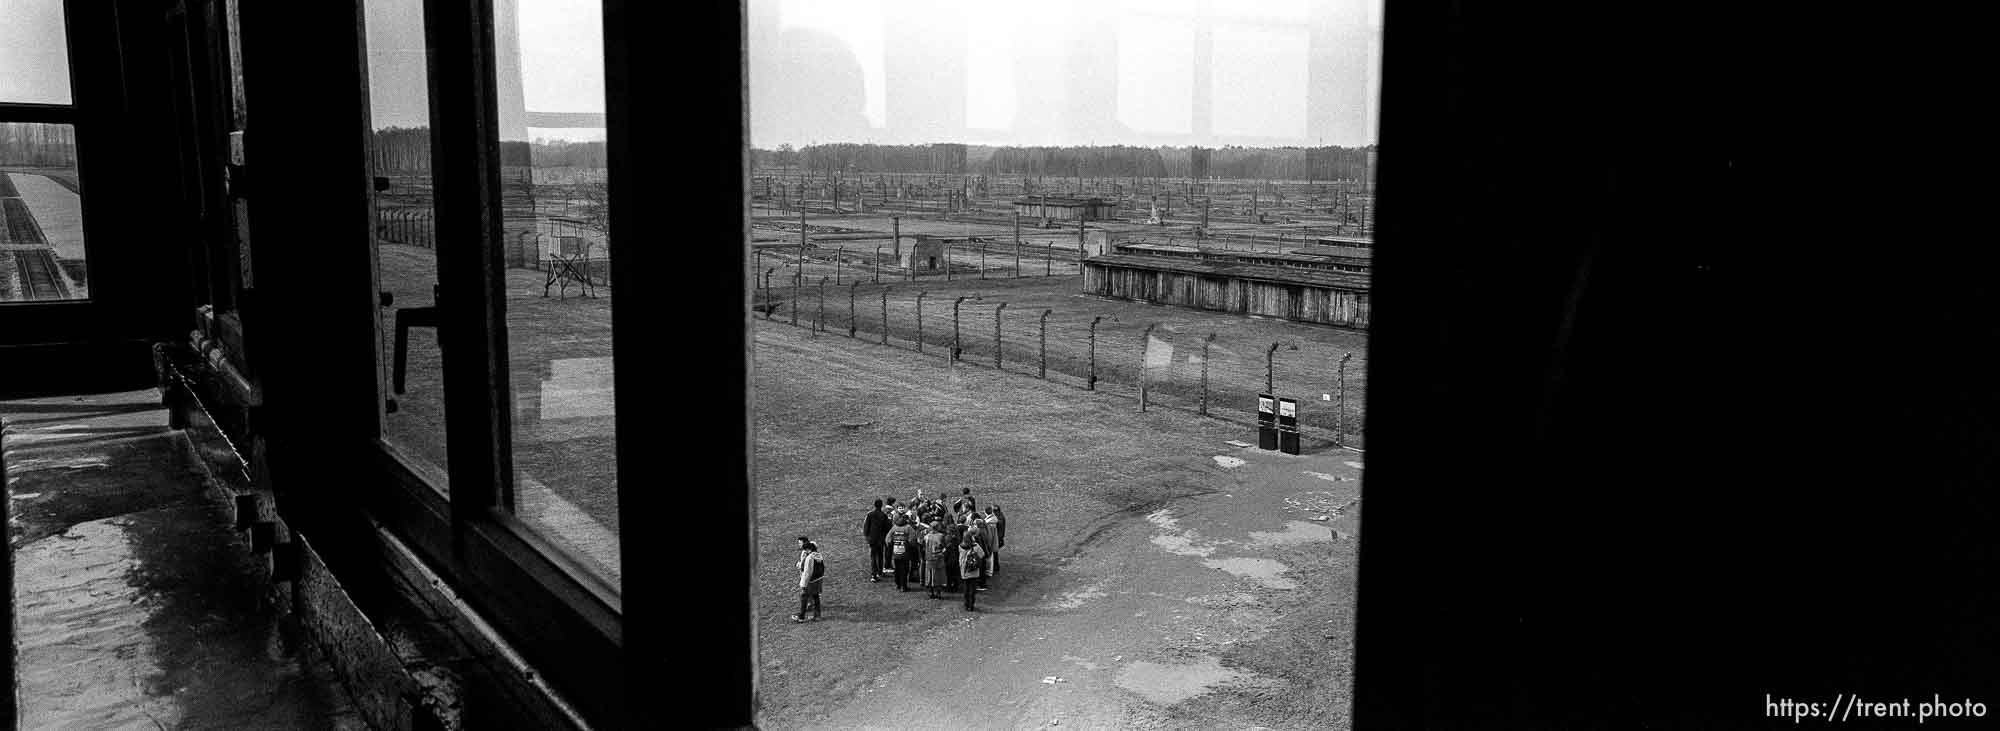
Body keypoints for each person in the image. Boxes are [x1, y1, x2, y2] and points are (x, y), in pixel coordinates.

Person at [793, 537, 824, 623]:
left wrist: (803, 584)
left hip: (811, 581)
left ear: (809, 549)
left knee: (804, 597)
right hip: (818, 580)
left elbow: (807, 572)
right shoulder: (819, 555)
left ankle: (801, 617)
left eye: (806, 550)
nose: (805, 551)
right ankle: (817, 616)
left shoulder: (809, 558)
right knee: (816, 596)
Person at [886, 514, 915, 592]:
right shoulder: (908, 528)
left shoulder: (894, 527)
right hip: (905, 552)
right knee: (904, 569)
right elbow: (912, 539)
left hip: (896, 553)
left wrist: (892, 545)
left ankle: (898, 584)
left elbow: (888, 539)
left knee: (897, 568)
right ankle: (903, 586)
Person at [862, 499, 890, 582]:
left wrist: (867, 537)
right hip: (880, 540)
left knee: (873, 557)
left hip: (872, 539)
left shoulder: (870, 514)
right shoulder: (883, 515)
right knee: (880, 555)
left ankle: (873, 575)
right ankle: (879, 572)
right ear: (881, 505)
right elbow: (887, 528)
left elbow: (866, 527)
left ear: (874, 505)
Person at [960, 533, 986, 611]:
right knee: (972, 589)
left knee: (966, 589)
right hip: (974, 571)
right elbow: (982, 554)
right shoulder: (976, 547)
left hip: (964, 570)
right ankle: (971, 605)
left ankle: (966, 604)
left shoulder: (960, 546)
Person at [923, 520, 948, 599]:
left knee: (929, 575)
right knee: (938, 575)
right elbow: (944, 546)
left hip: (929, 558)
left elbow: (923, 546)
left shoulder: (926, 536)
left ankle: (930, 592)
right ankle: (938, 593)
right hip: (938, 558)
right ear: (937, 527)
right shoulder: (941, 536)